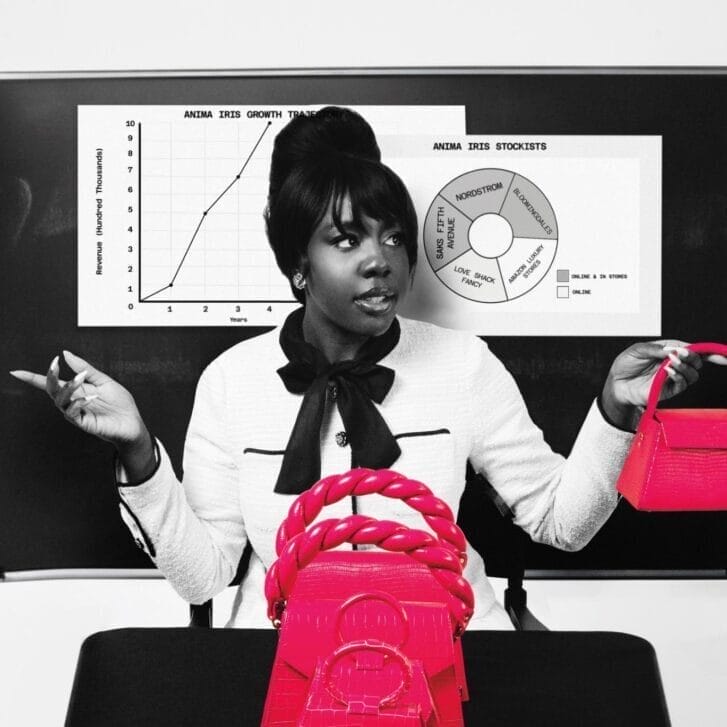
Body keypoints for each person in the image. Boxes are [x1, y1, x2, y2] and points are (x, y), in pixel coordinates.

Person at [10, 106, 717, 629]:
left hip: (448, 644)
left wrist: (615, 410)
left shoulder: (461, 364)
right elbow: (204, 573)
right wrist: (137, 448)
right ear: (297, 266)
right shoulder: (232, 380)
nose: (380, 259)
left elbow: (562, 523)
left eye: (393, 237)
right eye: (345, 238)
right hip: (281, 658)